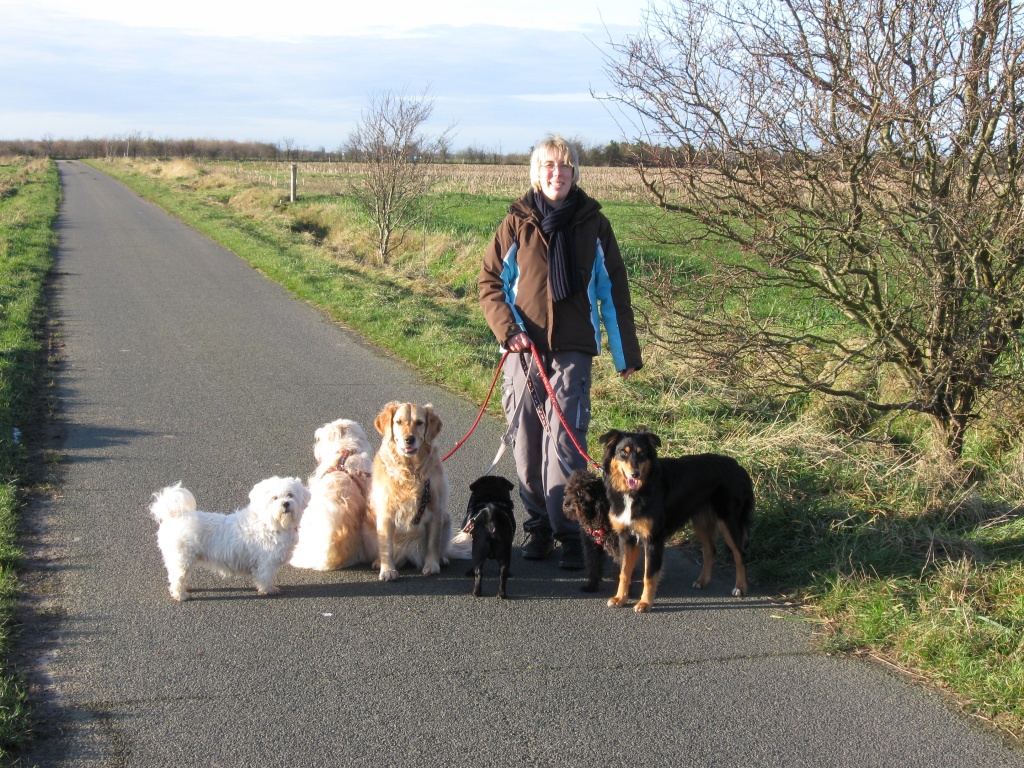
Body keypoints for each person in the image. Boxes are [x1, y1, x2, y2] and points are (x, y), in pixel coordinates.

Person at [478, 134, 643, 569]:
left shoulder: (594, 224)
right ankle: (539, 527)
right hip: (523, 350)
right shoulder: (516, 222)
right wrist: (508, 330)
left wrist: (625, 354)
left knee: (566, 445)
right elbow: (490, 282)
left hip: (573, 350)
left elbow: (614, 291)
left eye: (564, 166)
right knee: (527, 445)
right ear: (536, 173)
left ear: (574, 173)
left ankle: (572, 531)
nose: (557, 173)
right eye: (548, 166)